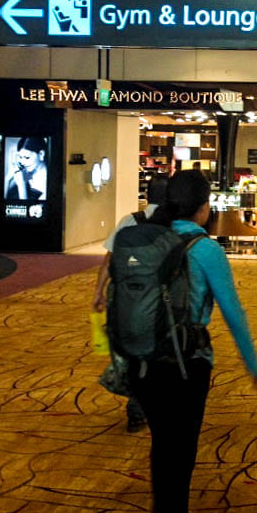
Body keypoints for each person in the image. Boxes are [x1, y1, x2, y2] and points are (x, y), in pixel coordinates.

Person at [133, 170, 257, 513]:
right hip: (186, 364)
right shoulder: (205, 250)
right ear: (204, 208)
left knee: (163, 444)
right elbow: (232, 310)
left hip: (144, 362)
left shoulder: (147, 237)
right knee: (179, 455)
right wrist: (253, 364)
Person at [92, 174, 170, 433]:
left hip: (125, 296)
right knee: (158, 350)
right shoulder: (174, 225)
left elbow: (109, 260)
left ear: (147, 196)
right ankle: (149, 403)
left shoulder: (130, 221)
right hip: (159, 298)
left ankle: (137, 403)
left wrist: (99, 292)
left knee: (131, 349)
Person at [6, 137, 48, 201]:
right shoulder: (28, 171)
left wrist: (21, 185)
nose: (22, 162)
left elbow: (29, 208)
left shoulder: (49, 180)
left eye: (27, 157)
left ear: (41, 154)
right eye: (20, 157)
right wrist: (7, 179)